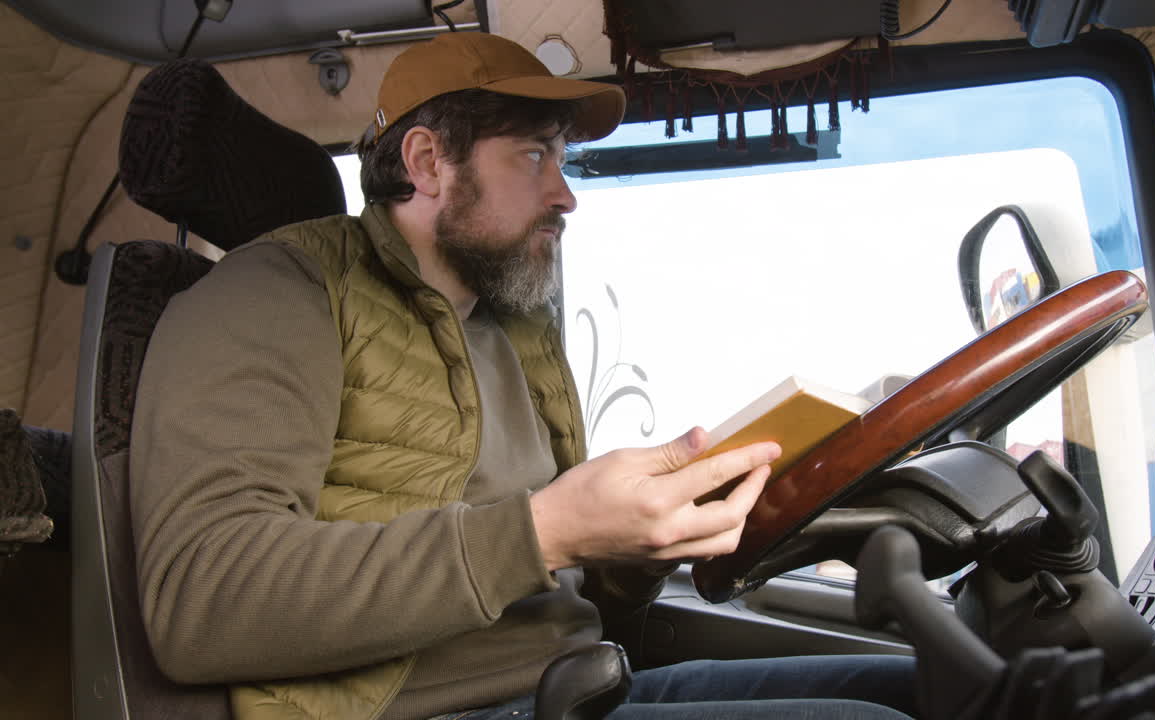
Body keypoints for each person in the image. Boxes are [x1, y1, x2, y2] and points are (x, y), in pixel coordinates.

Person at [129, 31, 917, 720]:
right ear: (429, 161)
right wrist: (543, 530)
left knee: (925, 688)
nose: (566, 194)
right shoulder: (276, 293)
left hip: (576, 683)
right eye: (535, 156)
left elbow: (562, 585)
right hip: (421, 711)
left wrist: (636, 556)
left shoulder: (517, 324)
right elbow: (202, 600)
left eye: (563, 158)